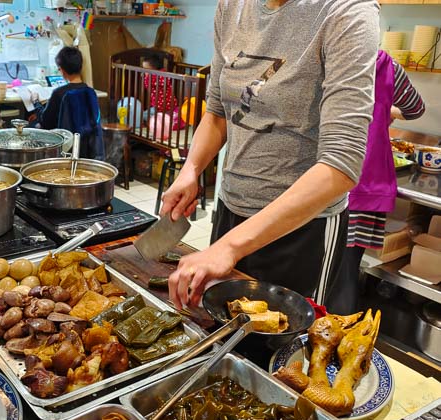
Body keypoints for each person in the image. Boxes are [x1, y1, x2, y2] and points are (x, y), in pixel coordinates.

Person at [160, 0, 379, 311]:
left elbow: (341, 164)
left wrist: (228, 247)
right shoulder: (232, 6)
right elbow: (218, 112)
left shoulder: (346, 11)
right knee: (224, 333)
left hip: (302, 233)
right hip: (231, 211)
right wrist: (191, 170)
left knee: (281, 352)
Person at [326, 51, 425, 314]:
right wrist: (384, 109)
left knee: (312, 267)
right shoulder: (387, 64)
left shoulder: (327, 56)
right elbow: (415, 108)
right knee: (346, 273)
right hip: (365, 182)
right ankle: (343, 341)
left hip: (322, 180)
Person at [30, 46, 97, 131]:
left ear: (61, 70)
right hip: (84, 139)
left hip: (62, 139)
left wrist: (36, 101)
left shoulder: (59, 93)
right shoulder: (89, 91)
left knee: (31, 124)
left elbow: (45, 122)